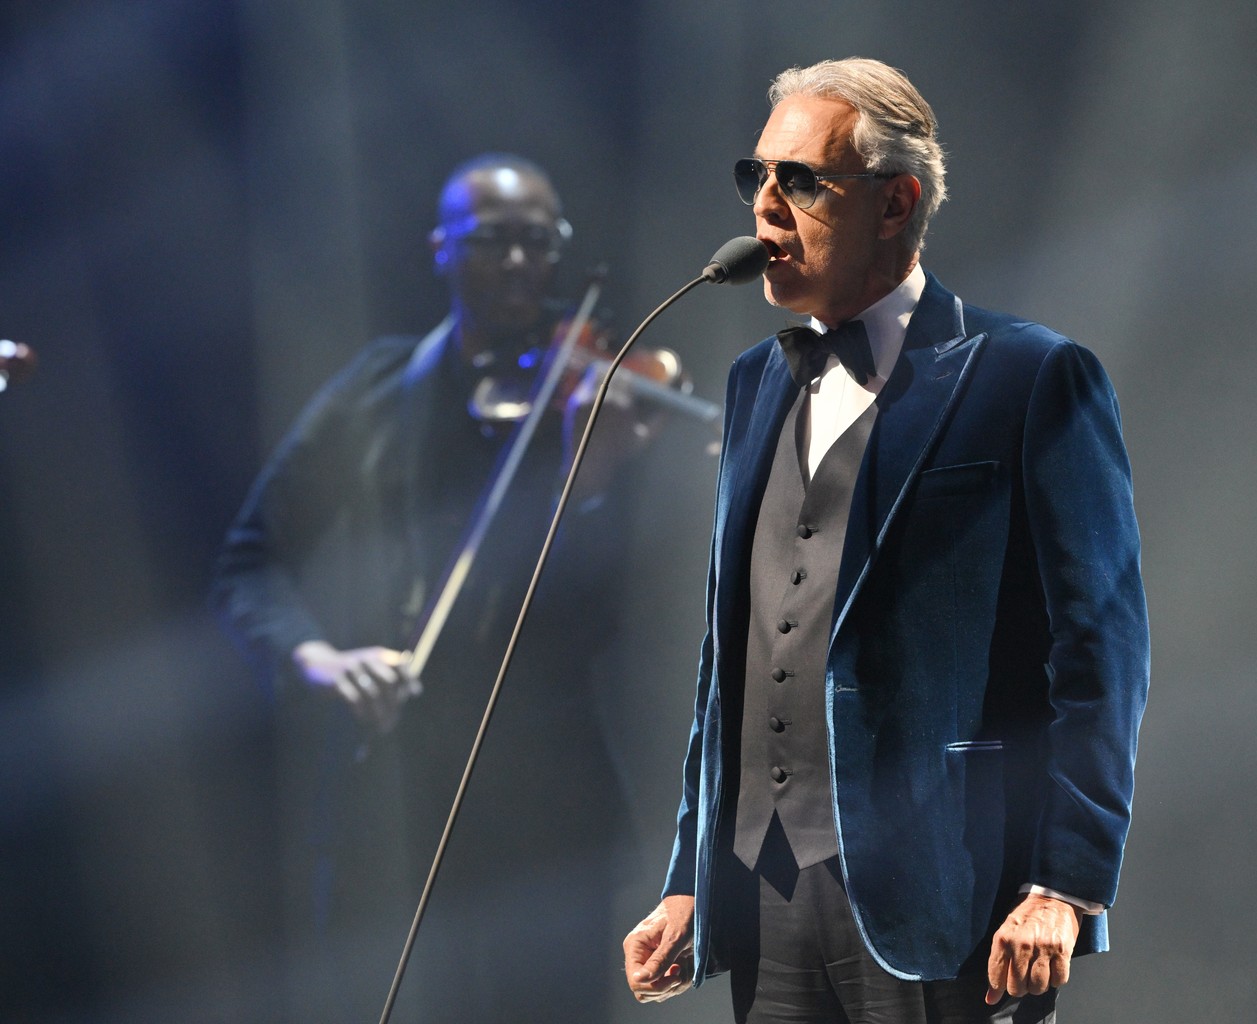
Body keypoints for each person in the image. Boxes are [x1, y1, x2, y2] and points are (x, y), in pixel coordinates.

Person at [622, 59, 1150, 1024]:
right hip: (768, 888)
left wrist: (1065, 887)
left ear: (897, 202)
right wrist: (692, 873)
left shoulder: (1030, 376)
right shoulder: (754, 383)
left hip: (948, 895)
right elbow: (730, 656)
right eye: (758, 178)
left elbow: (1101, 652)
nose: (767, 209)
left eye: (802, 182)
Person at [214, 154, 642, 1022]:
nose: (521, 264)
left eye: (538, 243)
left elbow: (644, 595)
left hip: (556, 786)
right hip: (401, 773)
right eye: (493, 242)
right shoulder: (378, 388)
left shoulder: (602, 385)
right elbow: (248, 562)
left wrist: (596, 483)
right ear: (441, 250)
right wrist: (320, 660)